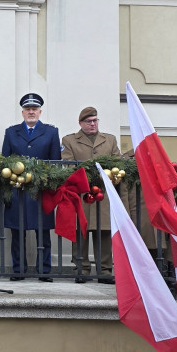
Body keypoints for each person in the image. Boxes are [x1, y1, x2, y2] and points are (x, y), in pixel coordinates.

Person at [1, 93, 61, 281]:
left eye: (34, 109)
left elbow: (55, 163)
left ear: (40, 111)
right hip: (17, 189)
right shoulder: (11, 132)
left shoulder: (51, 132)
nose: (31, 112)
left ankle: (44, 270)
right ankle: (19, 269)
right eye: (28, 109)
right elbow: (5, 160)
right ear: (22, 112)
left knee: (42, 232)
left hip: (40, 191)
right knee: (17, 232)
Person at [60, 107, 122, 283]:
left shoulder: (109, 139)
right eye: (89, 121)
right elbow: (68, 165)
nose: (93, 124)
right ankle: (82, 270)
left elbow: (117, 163)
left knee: (104, 232)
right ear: (81, 123)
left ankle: (104, 271)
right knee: (80, 232)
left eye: (95, 120)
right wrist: (87, 177)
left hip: (103, 193)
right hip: (81, 194)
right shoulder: (70, 140)